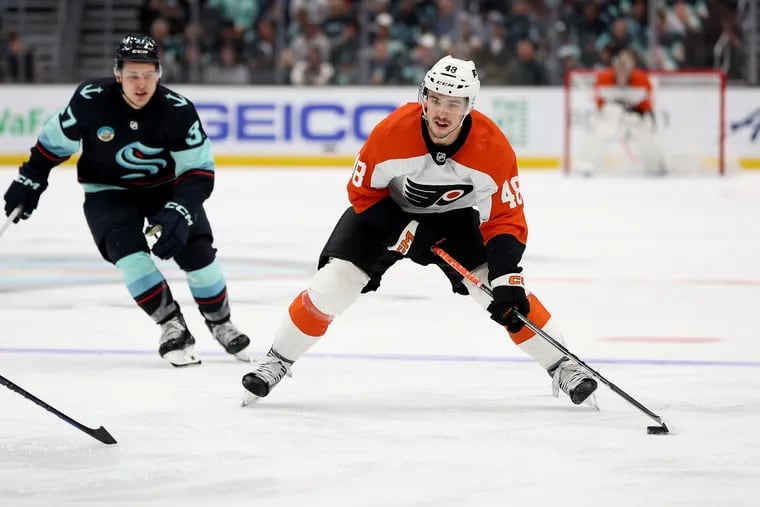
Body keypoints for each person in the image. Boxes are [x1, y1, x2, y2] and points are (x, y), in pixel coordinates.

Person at [241, 55, 598, 407]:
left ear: (468, 107)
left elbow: (505, 217)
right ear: (423, 98)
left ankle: (563, 365)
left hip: (453, 223)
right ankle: (278, 358)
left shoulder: (493, 149)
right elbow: (362, 192)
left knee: (500, 295)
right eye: (435, 99)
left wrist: (507, 277)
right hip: (383, 215)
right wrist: (402, 228)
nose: (442, 111)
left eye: (454, 103)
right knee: (334, 285)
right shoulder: (391, 133)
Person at [2, 35, 251, 367]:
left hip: (165, 189)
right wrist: (32, 176)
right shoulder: (90, 100)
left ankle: (221, 322)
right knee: (130, 256)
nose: (141, 83)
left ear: (159, 74)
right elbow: (54, 142)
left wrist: (180, 208)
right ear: (117, 74)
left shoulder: (177, 111)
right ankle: (171, 325)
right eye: (133, 74)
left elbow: (199, 172)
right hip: (107, 192)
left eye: (148, 74)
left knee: (198, 254)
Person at [576, 46, 666, 175]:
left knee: (642, 132)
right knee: (606, 125)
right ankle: (587, 162)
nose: (622, 70)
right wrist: (617, 109)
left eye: (626, 66)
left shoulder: (642, 79)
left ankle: (655, 163)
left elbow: (648, 104)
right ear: (615, 66)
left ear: (631, 67)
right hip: (613, 117)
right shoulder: (604, 78)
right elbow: (599, 102)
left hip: (636, 116)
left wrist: (634, 111)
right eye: (620, 66)